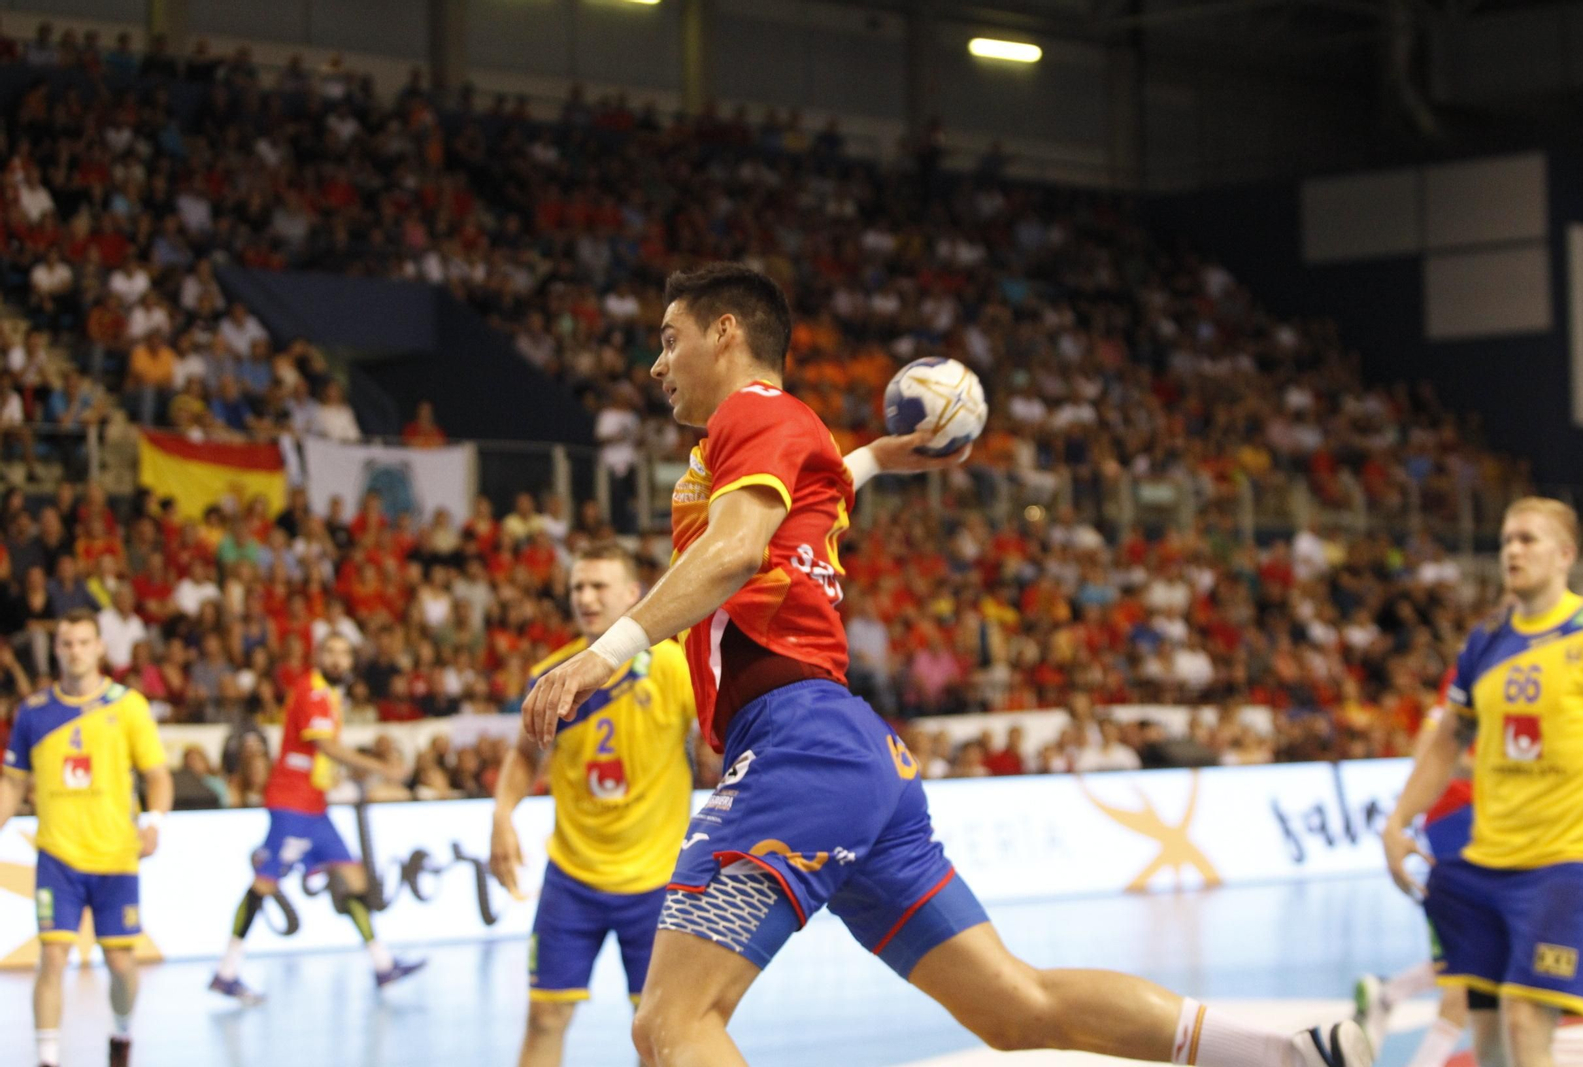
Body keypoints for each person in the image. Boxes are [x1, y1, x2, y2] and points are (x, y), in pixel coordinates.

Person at [525, 263, 1369, 1067]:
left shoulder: (751, 414)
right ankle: (1294, 1054)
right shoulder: (783, 437)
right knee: (1016, 1007)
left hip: (793, 746)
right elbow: (805, 501)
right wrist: (878, 458)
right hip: (858, 759)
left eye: (670, 339)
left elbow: (738, 549)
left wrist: (602, 655)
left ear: (726, 331)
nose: (656, 363)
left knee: (671, 1022)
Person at [1383, 497, 1583, 1067]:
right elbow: (1450, 737)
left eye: (1528, 539)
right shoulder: (1486, 641)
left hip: (1563, 865)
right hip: (1483, 863)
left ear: (1565, 555)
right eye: (1507, 540)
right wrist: (1398, 820)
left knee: (1529, 1022)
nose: (1512, 550)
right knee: (1487, 1038)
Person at [489, 542, 696, 1067]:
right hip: (572, 878)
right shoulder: (552, 675)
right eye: (578, 586)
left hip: (657, 883)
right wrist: (501, 816)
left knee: (656, 1032)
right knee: (544, 1018)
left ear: (633, 594)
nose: (585, 597)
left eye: (599, 586)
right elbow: (522, 756)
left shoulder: (673, 666)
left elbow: (725, 737)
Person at [207, 634, 424, 1003]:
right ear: (318, 656)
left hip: (314, 804)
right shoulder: (313, 690)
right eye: (331, 653)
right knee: (264, 884)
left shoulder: (330, 695)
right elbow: (326, 746)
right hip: (291, 803)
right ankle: (227, 971)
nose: (338, 660)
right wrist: (382, 768)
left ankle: (383, 965)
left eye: (344, 654)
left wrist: (335, 776)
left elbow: (319, 755)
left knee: (353, 876)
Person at [0, 609, 173, 1067]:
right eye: (66, 643)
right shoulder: (34, 712)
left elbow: (157, 775)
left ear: (99, 647)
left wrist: (153, 821)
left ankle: (121, 1033)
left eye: (82, 642)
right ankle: (47, 1058)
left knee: (120, 965)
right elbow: (13, 783)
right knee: (53, 957)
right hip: (58, 855)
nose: (74, 651)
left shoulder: (127, 705)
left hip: (116, 856)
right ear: (56, 650)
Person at [1354, 666, 1473, 1067]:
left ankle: (1390, 992)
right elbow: (1429, 747)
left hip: (1494, 822)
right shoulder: (1479, 661)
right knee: (1468, 976)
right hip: (1460, 817)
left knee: (1485, 955)